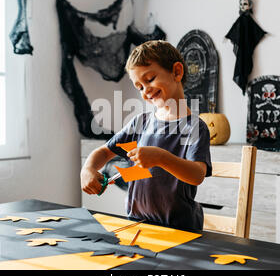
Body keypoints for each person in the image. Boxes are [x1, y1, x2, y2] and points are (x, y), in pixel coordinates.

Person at [80, 40, 212, 232]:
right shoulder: (140, 123)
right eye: (139, 87)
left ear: (177, 72)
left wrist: (160, 157)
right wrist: (88, 169)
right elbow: (104, 152)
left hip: (179, 230)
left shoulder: (195, 127)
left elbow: (197, 175)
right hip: (137, 224)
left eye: (149, 79)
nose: (145, 91)